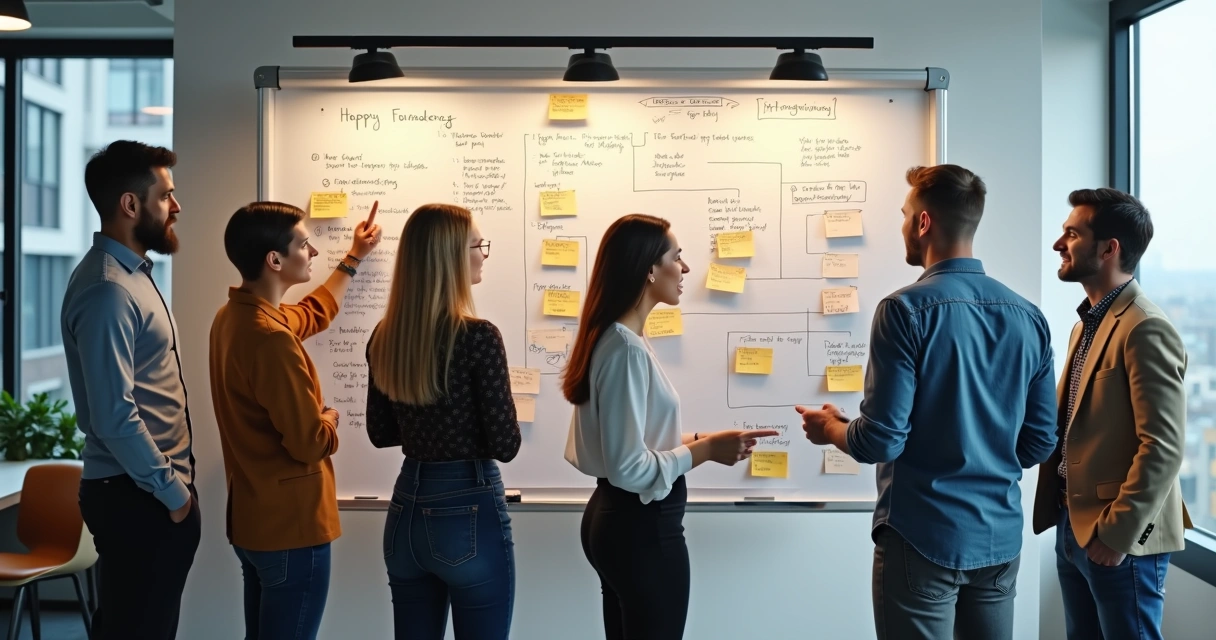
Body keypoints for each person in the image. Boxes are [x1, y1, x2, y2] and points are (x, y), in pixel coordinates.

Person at [799, 165, 1058, 640]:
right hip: (999, 538)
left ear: (923, 222)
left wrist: (830, 428)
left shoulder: (904, 310)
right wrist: (984, 454)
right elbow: (1039, 442)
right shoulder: (1030, 318)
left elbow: (881, 438)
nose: (901, 226)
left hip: (924, 536)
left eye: (903, 215)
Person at [562, 213, 779, 640]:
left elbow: (631, 443)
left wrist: (704, 442)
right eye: (677, 257)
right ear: (648, 269)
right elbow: (628, 467)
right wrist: (704, 452)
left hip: (618, 523)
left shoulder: (619, 338)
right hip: (640, 530)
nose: (685, 269)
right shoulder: (625, 348)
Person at [209, 201, 381, 639]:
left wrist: (354, 257)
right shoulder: (270, 339)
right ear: (275, 260)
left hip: (255, 522)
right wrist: (330, 418)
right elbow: (308, 442)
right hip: (291, 529)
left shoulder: (234, 318)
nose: (314, 252)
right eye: (305, 244)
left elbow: (310, 314)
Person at [1033, 189, 1190, 640]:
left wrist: (1117, 536)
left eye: (1071, 233)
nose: (1058, 244)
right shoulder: (1087, 324)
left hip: (1119, 539)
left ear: (1109, 248)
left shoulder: (1146, 327)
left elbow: (1163, 445)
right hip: (1074, 526)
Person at [62, 140, 198, 639]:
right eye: (166, 196)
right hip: (137, 497)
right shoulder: (108, 290)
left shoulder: (131, 276)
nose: (176, 206)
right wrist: (173, 495)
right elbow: (114, 416)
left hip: (145, 494)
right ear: (130, 205)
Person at [365, 203, 521, 640]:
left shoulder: (384, 336)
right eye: (477, 245)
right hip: (468, 508)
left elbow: (381, 434)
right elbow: (506, 444)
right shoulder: (478, 337)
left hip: (406, 509)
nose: (483, 254)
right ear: (451, 257)